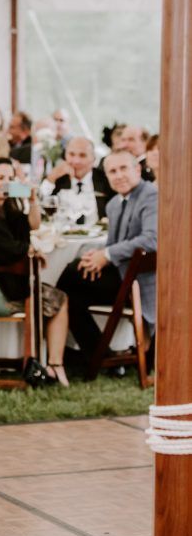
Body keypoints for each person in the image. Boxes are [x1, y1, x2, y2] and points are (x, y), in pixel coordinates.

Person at [0, 158, 70, 386]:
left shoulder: (4, 210)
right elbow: (6, 250)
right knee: (60, 300)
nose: (6, 183)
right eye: (0, 178)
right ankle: (54, 366)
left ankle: (49, 364)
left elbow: (32, 225)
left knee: (57, 297)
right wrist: (29, 249)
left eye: (10, 179)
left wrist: (31, 200)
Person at [57, 151, 158, 374]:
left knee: (69, 279)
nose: (119, 175)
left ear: (137, 170)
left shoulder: (150, 196)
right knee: (69, 291)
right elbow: (114, 245)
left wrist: (108, 255)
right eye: (113, 171)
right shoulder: (113, 204)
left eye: (124, 169)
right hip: (121, 275)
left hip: (139, 282)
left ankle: (95, 357)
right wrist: (99, 255)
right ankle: (102, 357)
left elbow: (152, 240)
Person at [42, 136, 115, 222]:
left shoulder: (105, 179)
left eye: (82, 155)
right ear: (65, 155)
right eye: (71, 154)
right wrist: (51, 178)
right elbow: (40, 206)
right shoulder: (57, 179)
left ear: (93, 158)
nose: (76, 161)